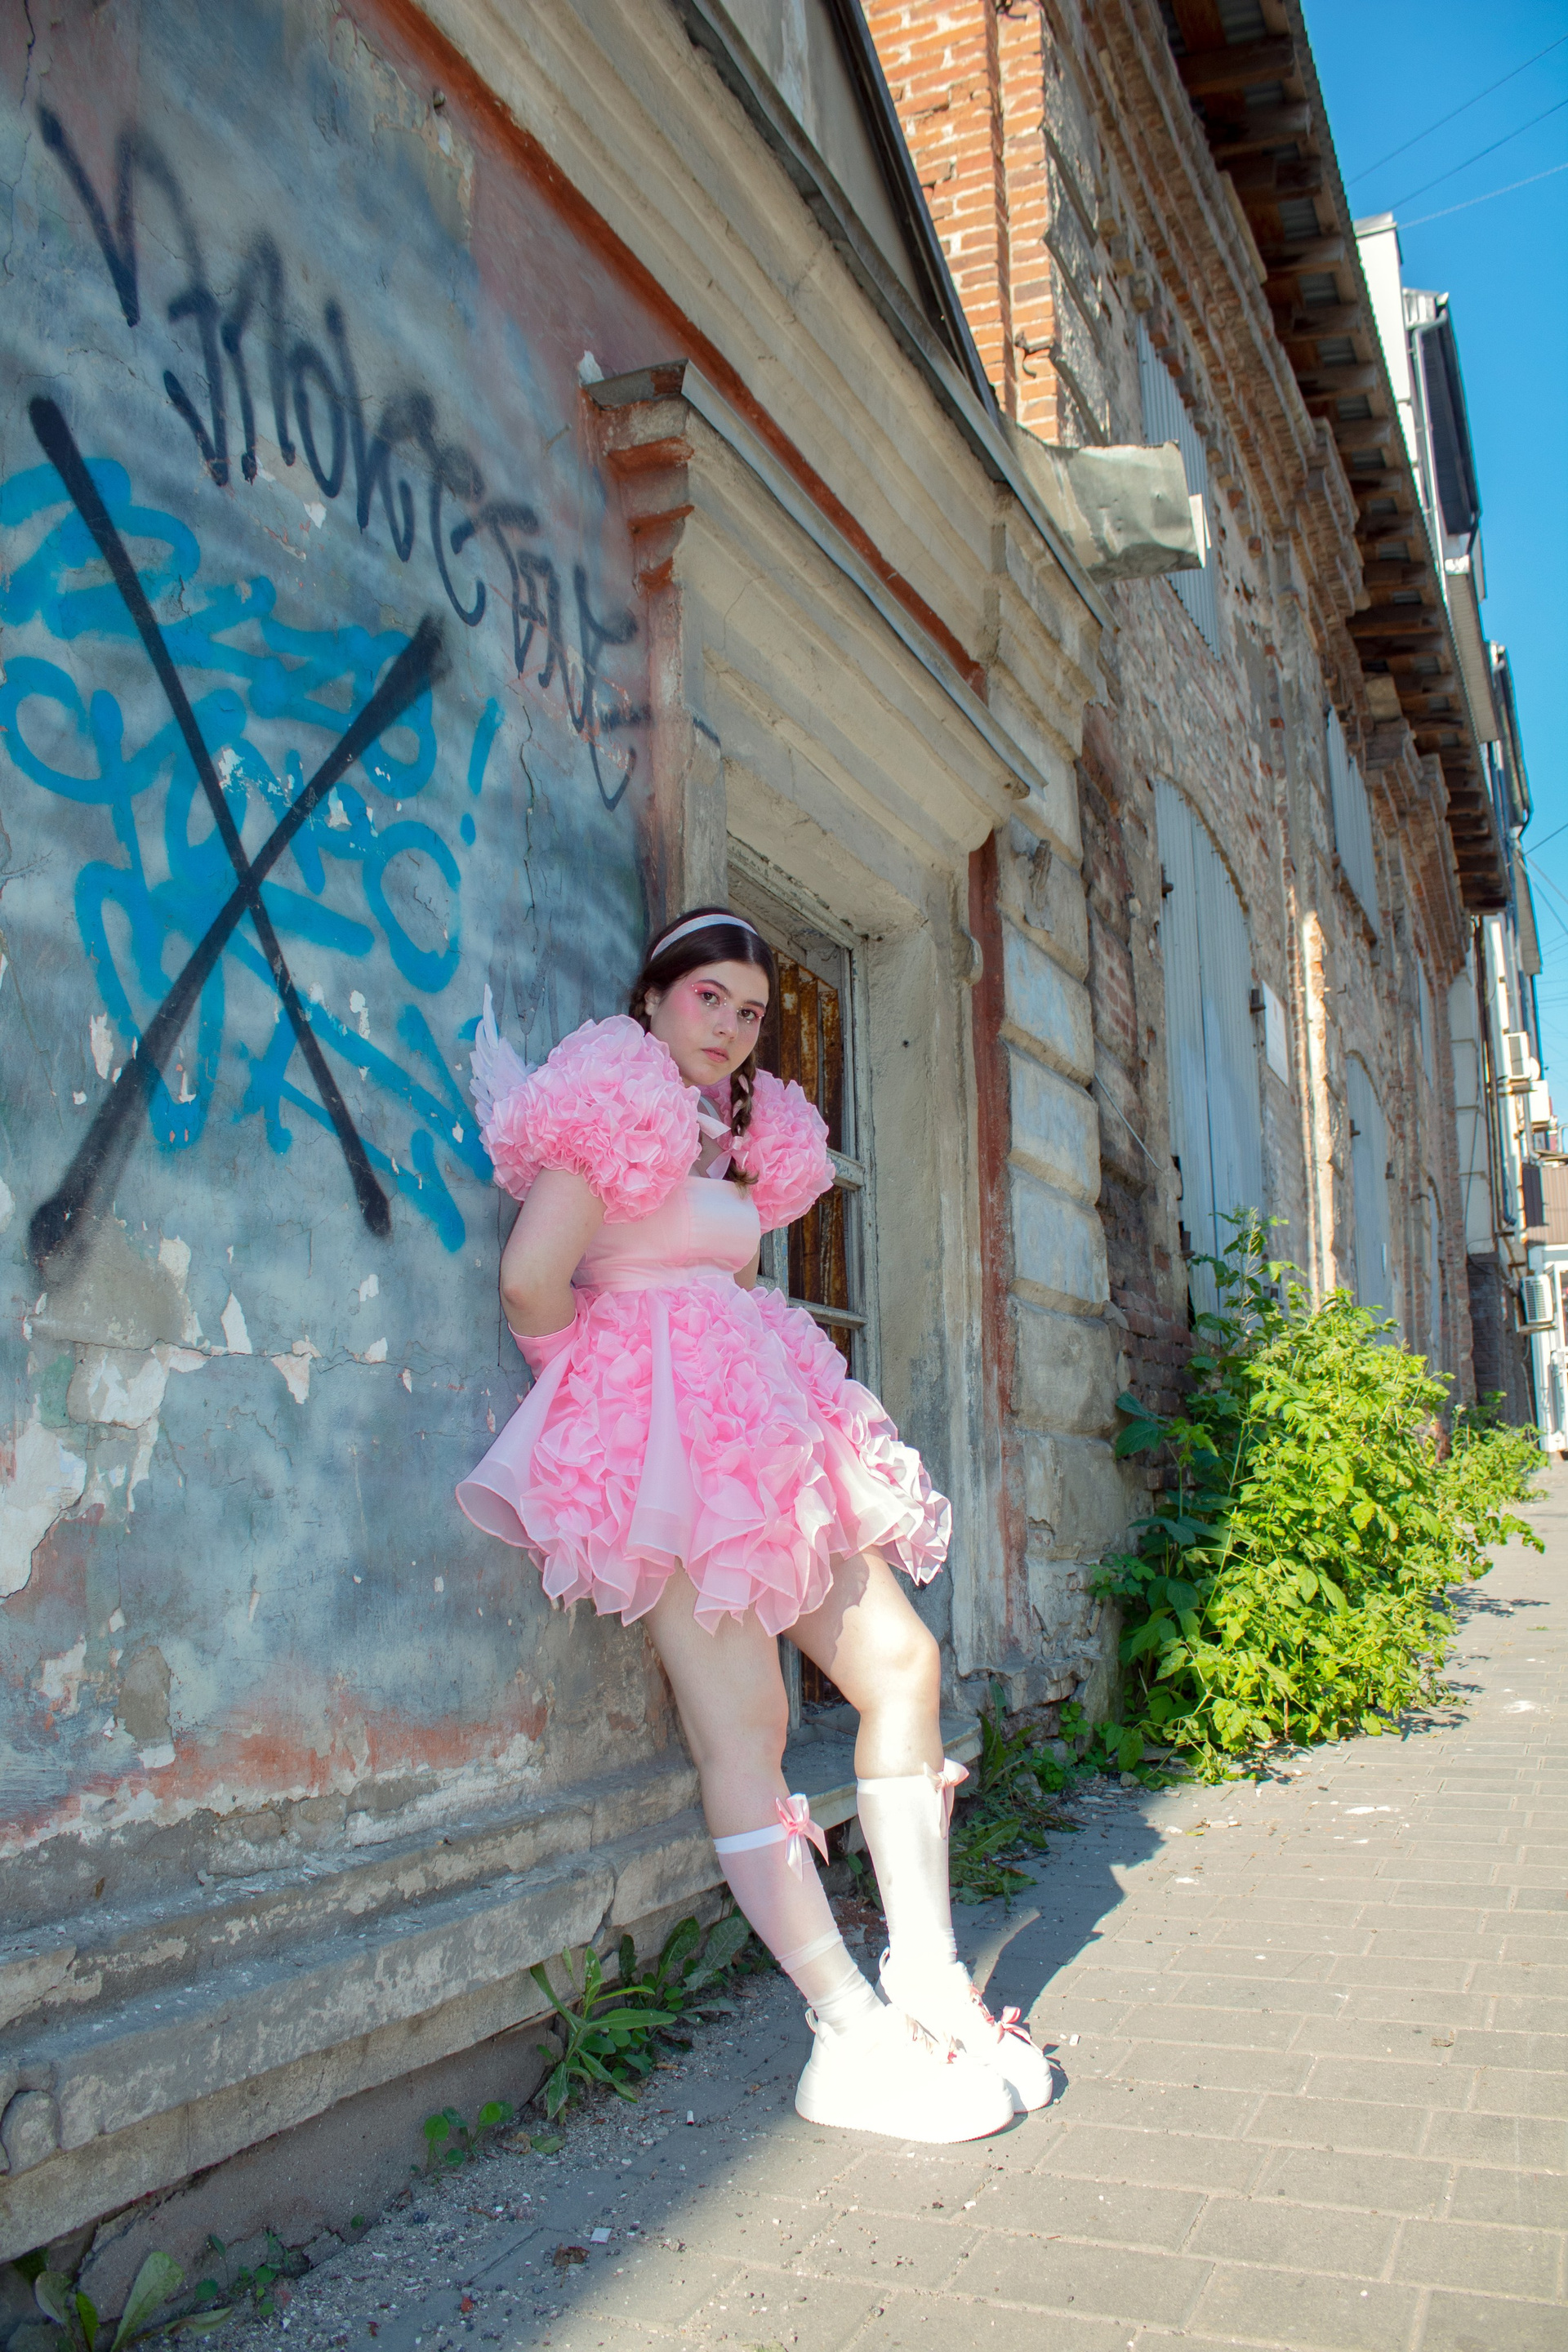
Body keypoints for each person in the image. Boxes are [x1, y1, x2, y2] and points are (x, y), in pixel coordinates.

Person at [457, 907, 1053, 2141]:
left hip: (767, 1433)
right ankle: (846, 2035)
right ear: (655, 998)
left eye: (749, 1012)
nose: (728, 1027)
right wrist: (599, 1402)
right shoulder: (613, 1095)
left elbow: (720, 1278)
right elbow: (530, 1277)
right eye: (707, 998)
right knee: (751, 1725)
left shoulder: (739, 1133)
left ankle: (928, 1980)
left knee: (902, 1664)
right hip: (663, 1447)